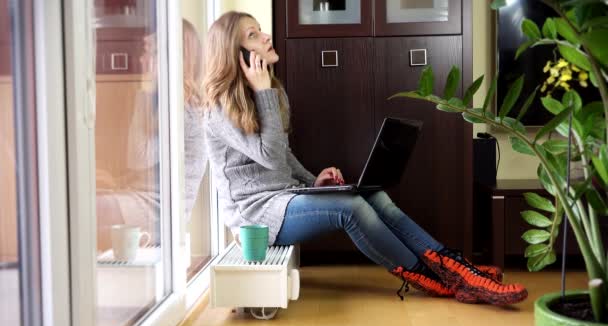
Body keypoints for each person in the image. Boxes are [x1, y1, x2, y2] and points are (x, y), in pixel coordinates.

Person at [201, 11, 527, 305]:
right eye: (254, 35)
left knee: (374, 194)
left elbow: (283, 154)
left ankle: (456, 268)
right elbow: (271, 159)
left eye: (261, 30)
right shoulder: (220, 107)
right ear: (237, 54)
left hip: (286, 197)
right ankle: (433, 279)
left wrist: (312, 181)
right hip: (257, 215)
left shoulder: (271, 91)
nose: (266, 36)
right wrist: (264, 94)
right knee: (351, 209)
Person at [96, 19, 207, 251]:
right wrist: (115, 183)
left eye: (151, 52)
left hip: (157, 210)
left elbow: (138, 157)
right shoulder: (167, 98)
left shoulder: (184, 107)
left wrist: (144, 91)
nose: (141, 59)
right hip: (143, 199)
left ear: (171, 57)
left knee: (81, 211)